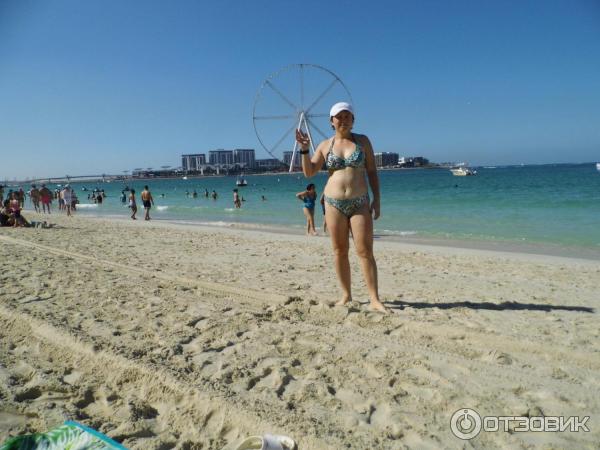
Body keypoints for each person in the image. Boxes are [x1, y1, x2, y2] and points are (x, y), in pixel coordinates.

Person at [295, 101, 387, 313]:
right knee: (340, 251)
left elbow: (372, 171)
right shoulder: (325, 146)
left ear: (353, 120)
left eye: (348, 116)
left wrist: (377, 199)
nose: (343, 120)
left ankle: (374, 298)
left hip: (360, 202)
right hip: (333, 203)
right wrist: (304, 149)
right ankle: (346, 295)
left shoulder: (363, 142)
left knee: (365, 251)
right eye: (339, 116)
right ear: (331, 121)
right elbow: (309, 172)